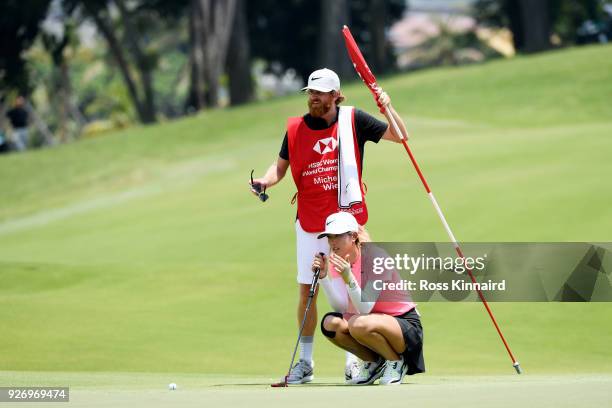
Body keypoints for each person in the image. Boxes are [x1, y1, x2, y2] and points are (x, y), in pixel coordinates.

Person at [250, 68, 409, 384]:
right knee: (307, 291)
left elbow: (400, 136)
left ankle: (357, 359)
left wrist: (387, 107)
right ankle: (306, 363)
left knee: (351, 292)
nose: (314, 98)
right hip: (309, 223)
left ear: (336, 95)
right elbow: (279, 167)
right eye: (310, 92)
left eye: (320, 93)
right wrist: (266, 181)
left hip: (346, 223)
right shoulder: (295, 128)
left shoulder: (354, 120)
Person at [313, 211, 425, 385]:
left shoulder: (376, 257)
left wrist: (348, 277)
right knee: (331, 324)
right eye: (329, 237)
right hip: (370, 324)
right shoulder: (339, 260)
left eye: (338, 236)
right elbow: (341, 306)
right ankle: (375, 363)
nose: (332, 242)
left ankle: (396, 361)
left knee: (358, 323)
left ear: (354, 236)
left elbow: (365, 308)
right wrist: (323, 278)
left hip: (404, 326)